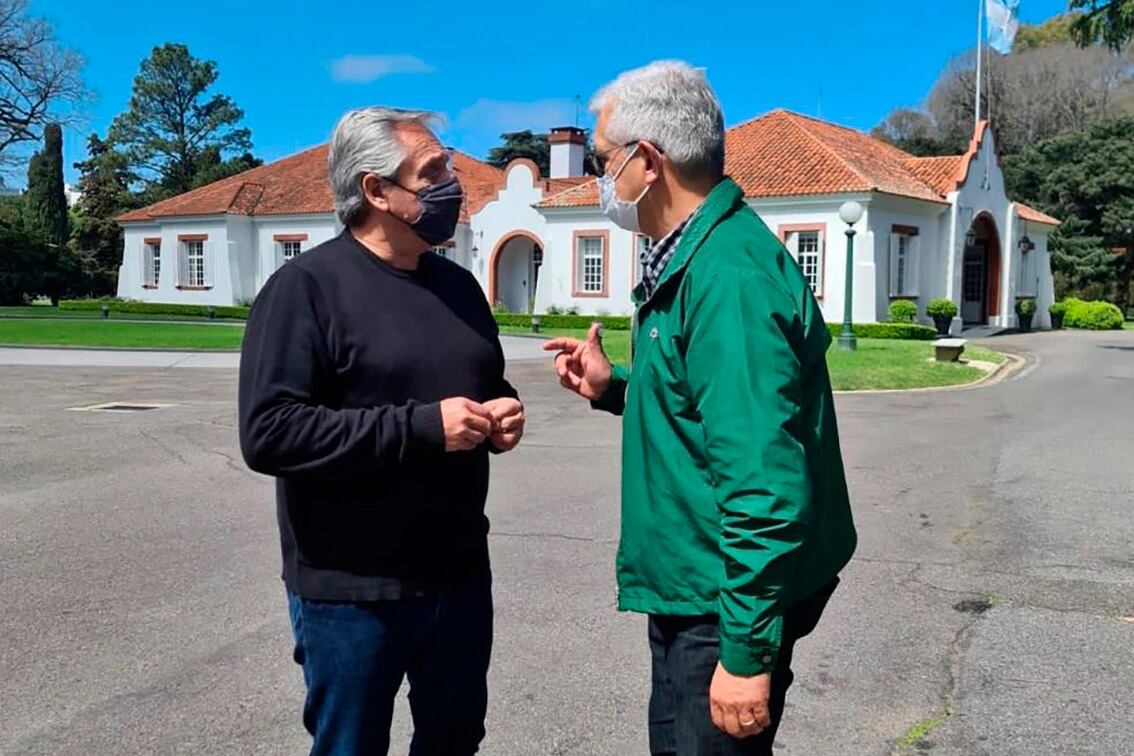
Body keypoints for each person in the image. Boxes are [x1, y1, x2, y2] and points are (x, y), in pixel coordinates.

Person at [544, 61, 857, 755]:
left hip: (722, 602)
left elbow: (764, 487)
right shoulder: (687, 257)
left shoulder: (726, 276)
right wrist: (613, 386)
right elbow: (707, 407)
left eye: (603, 161)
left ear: (647, 162)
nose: (600, 180)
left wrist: (745, 657)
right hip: (698, 585)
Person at [238, 106, 523, 756]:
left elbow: (482, 382)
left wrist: (500, 413)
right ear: (376, 191)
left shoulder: (458, 287)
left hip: (456, 575)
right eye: (434, 173)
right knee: (350, 746)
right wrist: (423, 429)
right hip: (351, 590)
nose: (455, 183)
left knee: (455, 738)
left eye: (449, 166)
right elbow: (269, 432)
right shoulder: (304, 290)